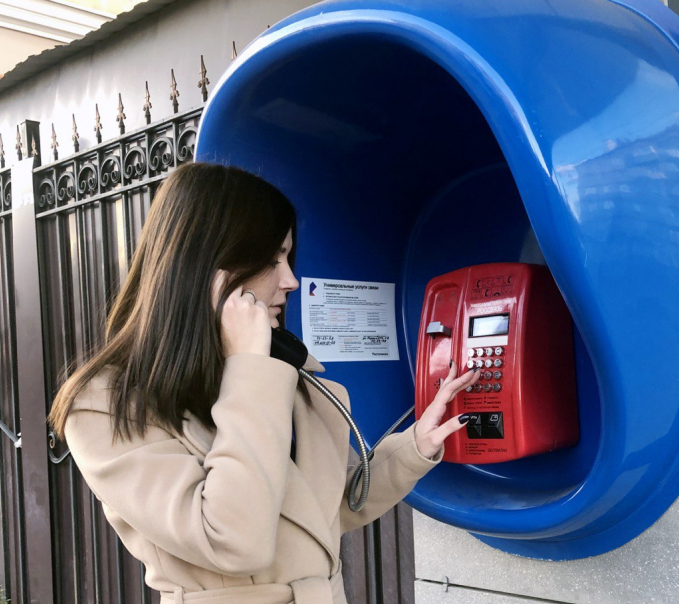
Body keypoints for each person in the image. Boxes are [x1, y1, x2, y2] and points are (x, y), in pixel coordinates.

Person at [47, 162, 480, 604]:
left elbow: (332, 505)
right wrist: (249, 369)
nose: (291, 281)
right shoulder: (107, 406)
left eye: (288, 257)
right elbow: (234, 539)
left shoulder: (284, 378)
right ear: (210, 267)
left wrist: (415, 447)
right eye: (271, 259)